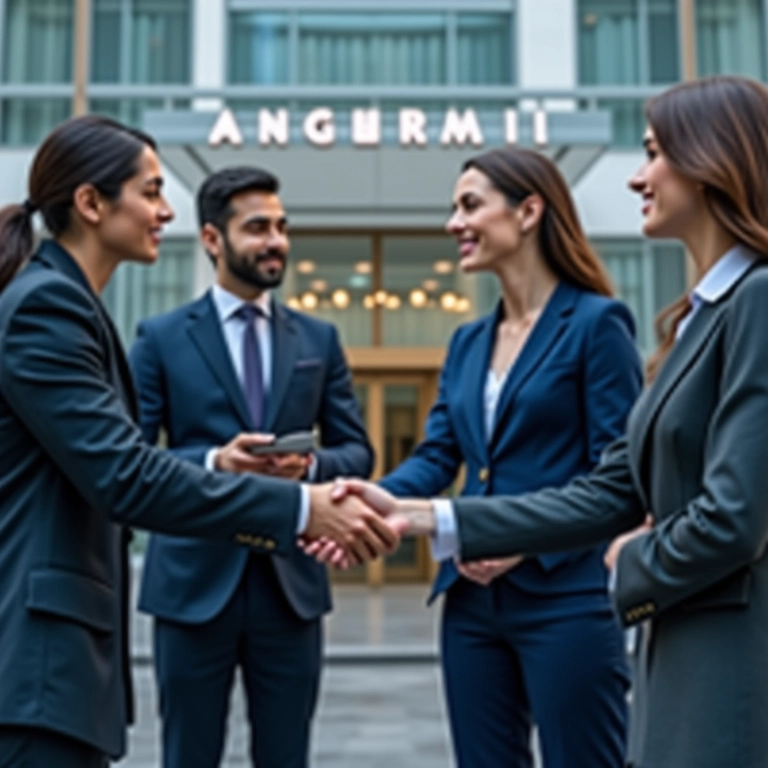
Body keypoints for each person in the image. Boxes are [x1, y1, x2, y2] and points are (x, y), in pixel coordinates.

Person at [335, 75, 768, 768]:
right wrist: (407, 512)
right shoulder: (694, 319)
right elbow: (613, 486)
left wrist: (627, 562)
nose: (636, 177)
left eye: (653, 153)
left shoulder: (734, 304)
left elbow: (724, 513)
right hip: (526, 605)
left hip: (645, 622)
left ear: (710, 159)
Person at [0, 115, 398, 768]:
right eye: (152, 191)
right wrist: (301, 507)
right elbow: (127, 475)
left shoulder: (67, 303)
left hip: (64, 665)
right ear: (91, 203)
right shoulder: (51, 308)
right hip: (40, 665)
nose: (165, 211)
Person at [129, 166, 373, 768]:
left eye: (282, 227)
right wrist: (216, 462)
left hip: (290, 588)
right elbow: (131, 458)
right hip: (192, 583)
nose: (276, 242)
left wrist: (306, 467)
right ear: (212, 239)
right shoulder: (160, 337)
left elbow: (357, 451)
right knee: (188, 756)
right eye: (258, 228)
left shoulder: (318, 339)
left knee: (287, 758)